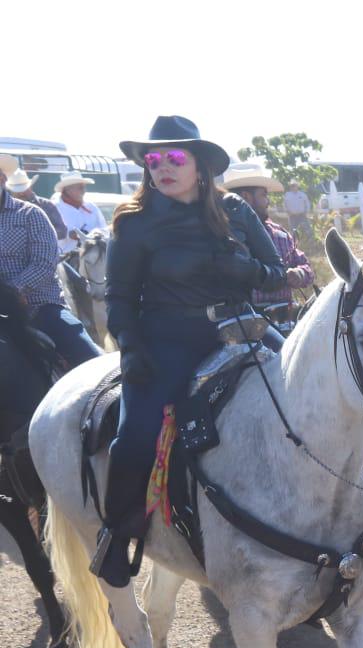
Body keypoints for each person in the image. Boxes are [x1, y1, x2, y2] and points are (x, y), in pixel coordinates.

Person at [94, 115, 287, 587]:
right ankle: (117, 534)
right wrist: (130, 347)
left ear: (199, 164)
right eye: (153, 159)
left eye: (175, 157)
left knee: (304, 391)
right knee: (135, 436)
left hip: (239, 328)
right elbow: (119, 297)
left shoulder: (235, 209)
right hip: (167, 339)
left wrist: (240, 267)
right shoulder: (134, 222)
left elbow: (275, 272)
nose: (163, 166)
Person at [0, 177, 102, 368]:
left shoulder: (30, 214)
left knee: (87, 355)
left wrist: (12, 291)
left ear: (2, 179)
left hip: (37, 305)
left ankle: (111, 381)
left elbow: (45, 263)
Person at [220, 163, 315, 319]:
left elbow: (306, 267)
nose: (268, 201)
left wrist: (299, 273)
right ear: (246, 198)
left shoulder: (280, 234)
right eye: (263, 195)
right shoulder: (221, 236)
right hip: (244, 321)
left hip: (285, 319)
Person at [4, 168, 70, 253]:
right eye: (17, 191)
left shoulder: (46, 205)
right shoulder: (4, 209)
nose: (21, 193)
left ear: (30, 187)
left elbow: (62, 231)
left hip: (45, 253)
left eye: (24, 189)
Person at [54, 174, 107, 240]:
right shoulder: (55, 208)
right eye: (80, 188)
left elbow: (104, 229)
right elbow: (50, 233)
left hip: (91, 246)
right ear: (68, 189)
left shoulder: (91, 207)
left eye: (84, 187)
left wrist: (97, 233)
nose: (84, 191)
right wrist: (68, 234)